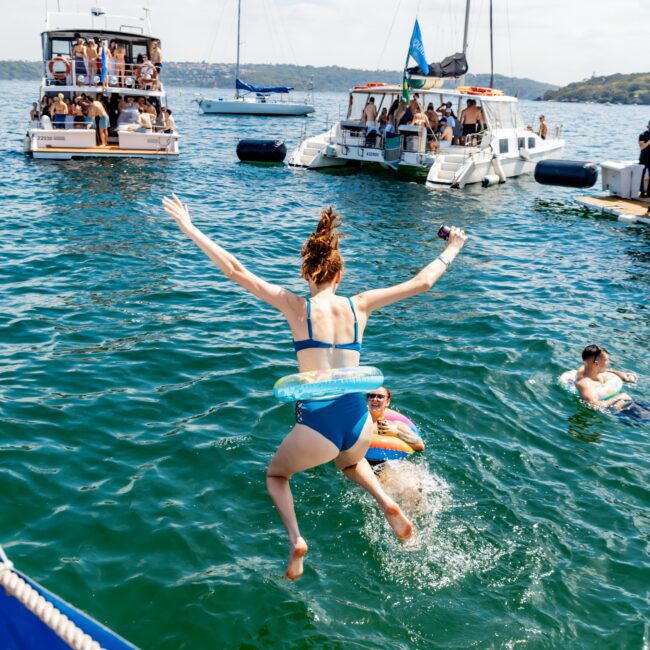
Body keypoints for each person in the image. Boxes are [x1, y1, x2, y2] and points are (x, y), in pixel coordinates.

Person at [161, 197, 467, 580]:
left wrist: (189, 228)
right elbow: (422, 282)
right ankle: (386, 502)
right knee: (350, 462)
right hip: (359, 420)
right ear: (340, 276)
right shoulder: (361, 305)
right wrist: (452, 246)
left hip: (317, 420)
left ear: (306, 275)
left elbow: (235, 270)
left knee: (277, 476)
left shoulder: (296, 306)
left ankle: (296, 540)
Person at [572, 344, 637, 411]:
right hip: (620, 411)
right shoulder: (586, 384)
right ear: (596, 364)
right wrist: (619, 398)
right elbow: (593, 406)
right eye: (606, 360)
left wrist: (620, 374)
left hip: (624, 403)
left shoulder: (586, 368)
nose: (608, 362)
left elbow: (604, 370)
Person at [367, 387, 424, 453]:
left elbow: (420, 445)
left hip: (388, 461)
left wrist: (396, 433)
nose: (374, 399)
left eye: (380, 397)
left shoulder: (395, 425)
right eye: (371, 396)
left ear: (387, 402)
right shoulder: (357, 421)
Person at [638, 121, 650, 198]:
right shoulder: (642, 135)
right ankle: (642, 191)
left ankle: (649, 192)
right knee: (641, 175)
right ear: (648, 126)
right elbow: (642, 147)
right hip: (644, 158)